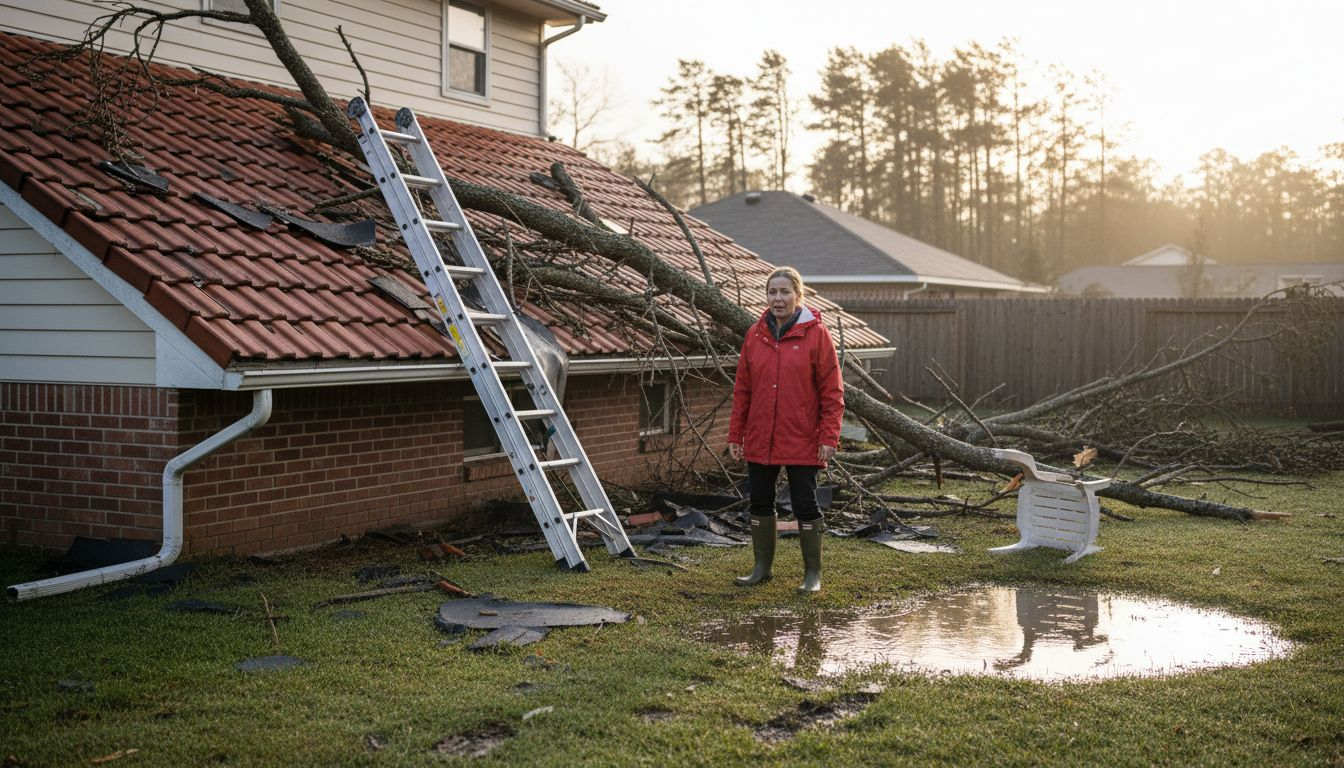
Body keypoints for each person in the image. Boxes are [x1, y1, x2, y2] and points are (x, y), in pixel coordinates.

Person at [727, 266, 844, 594]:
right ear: (766, 297)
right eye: (772, 292)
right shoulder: (754, 335)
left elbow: (832, 392)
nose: (778, 299)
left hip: (802, 437)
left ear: (798, 296)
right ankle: (762, 568)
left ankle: (812, 574)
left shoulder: (816, 335)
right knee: (760, 501)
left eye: (784, 292)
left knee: (805, 503)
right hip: (761, 435)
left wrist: (829, 437)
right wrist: (737, 434)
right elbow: (743, 390)